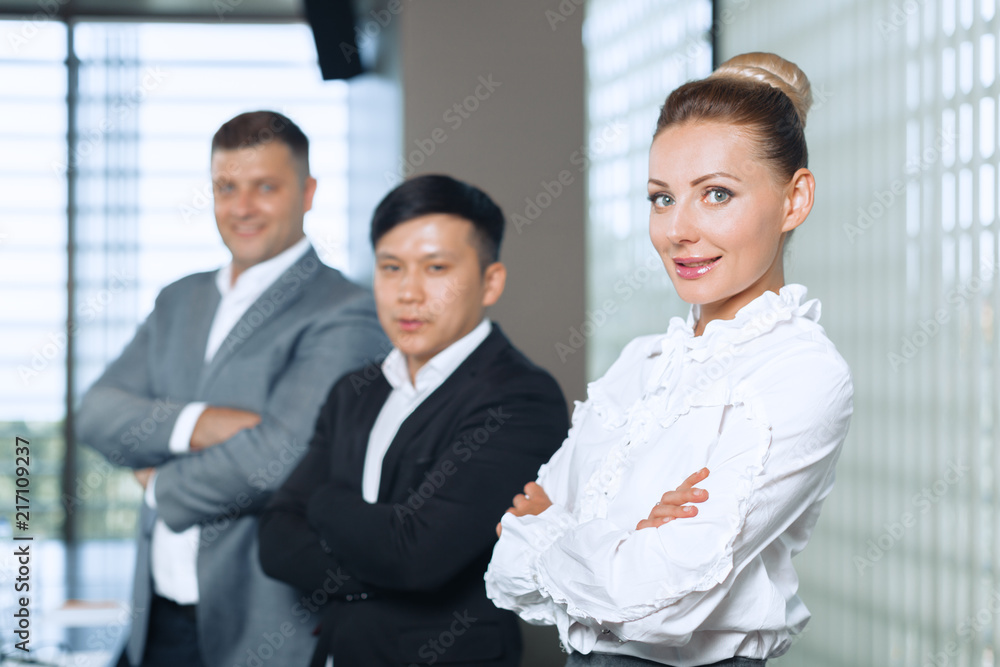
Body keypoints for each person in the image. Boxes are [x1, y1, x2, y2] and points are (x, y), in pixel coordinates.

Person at [485, 52, 854, 666]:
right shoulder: (642, 362)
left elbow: (657, 603)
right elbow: (508, 560)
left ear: (794, 200)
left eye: (716, 194)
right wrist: (626, 537)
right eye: (661, 198)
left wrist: (557, 529)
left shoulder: (802, 372)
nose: (677, 229)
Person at [76, 110, 388, 667]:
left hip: (257, 630)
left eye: (265, 187)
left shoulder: (347, 310)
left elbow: (279, 458)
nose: (242, 208)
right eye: (226, 187)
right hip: (153, 621)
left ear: (308, 193)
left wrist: (158, 484)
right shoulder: (179, 299)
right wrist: (200, 423)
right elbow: (95, 413)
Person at [258, 174, 570, 667]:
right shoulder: (355, 391)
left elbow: (417, 558)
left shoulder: (521, 397)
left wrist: (322, 500)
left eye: (436, 268)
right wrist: (384, 562)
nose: (408, 292)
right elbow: (276, 541)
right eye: (391, 268)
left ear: (490, 282)